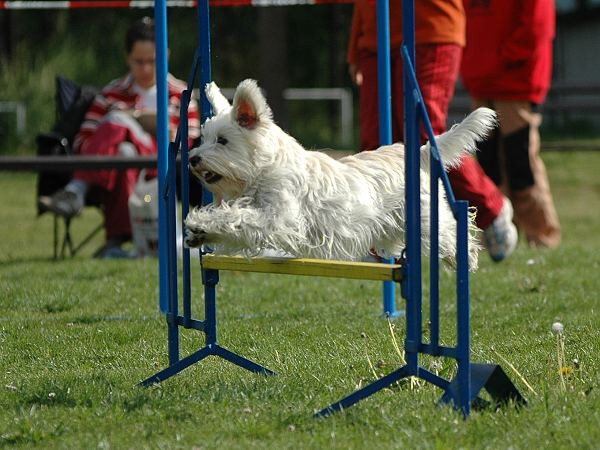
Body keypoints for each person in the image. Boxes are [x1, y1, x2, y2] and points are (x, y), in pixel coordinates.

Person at [347, 0, 518, 262]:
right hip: (375, 37)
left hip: (431, 26)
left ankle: (490, 207)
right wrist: (356, 45)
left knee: (425, 135)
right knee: (374, 143)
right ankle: (379, 241)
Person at [40, 17, 201, 258]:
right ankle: (122, 245)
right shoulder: (110, 93)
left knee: (117, 121)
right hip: (118, 169)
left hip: (164, 169)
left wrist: (132, 118)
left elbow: (188, 144)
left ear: (165, 55)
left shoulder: (181, 94)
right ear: (127, 58)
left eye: (152, 61)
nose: (146, 69)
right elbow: (83, 144)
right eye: (138, 62)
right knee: (124, 152)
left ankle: (76, 192)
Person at [461, 0, 561, 248]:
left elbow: (537, 25)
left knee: (521, 165)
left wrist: (505, 58)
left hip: (515, 80)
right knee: (488, 166)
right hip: (482, 80)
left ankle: (542, 237)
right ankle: (500, 236)